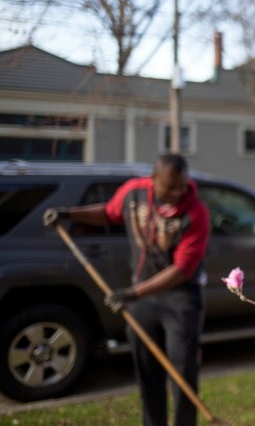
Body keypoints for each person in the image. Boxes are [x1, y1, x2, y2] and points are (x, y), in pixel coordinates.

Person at [44, 154, 210, 426]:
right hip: (144, 298)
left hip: (181, 299)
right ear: (153, 180)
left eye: (181, 186)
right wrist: (68, 214)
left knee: (183, 371)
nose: (177, 192)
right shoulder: (134, 193)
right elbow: (110, 212)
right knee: (147, 371)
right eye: (170, 186)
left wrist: (133, 294)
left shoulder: (196, 213)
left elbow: (183, 269)